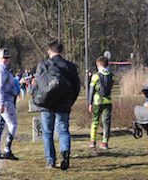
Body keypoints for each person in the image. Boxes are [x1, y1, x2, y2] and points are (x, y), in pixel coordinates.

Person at [32, 40, 80, 169]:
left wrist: (37, 97)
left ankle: (50, 161)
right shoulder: (70, 66)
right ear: (62, 51)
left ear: (49, 51)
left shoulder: (43, 65)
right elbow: (76, 87)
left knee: (47, 133)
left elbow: (38, 84)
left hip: (47, 104)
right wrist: (70, 101)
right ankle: (65, 153)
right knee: (63, 130)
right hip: (64, 104)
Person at [0, 48, 19, 160]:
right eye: (4, 58)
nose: (7, 60)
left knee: (0, 125)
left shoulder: (3, 69)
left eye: (8, 57)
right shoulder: (1, 70)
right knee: (13, 124)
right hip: (4, 100)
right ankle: (7, 149)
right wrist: (2, 103)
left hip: (0, 100)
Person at [87, 56, 114, 150]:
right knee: (106, 122)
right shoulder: (111, 75)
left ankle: (92, 141)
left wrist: (89, 103)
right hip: (108, 101)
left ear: (98, 65)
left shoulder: (96, 76)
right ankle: (105, 142)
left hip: (97, 101)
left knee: (95, 121)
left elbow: (91, 90)